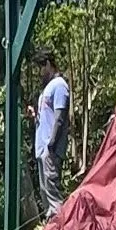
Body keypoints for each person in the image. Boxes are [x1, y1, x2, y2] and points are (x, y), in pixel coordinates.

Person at [33, 70, 72, 213]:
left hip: (51, 150)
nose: (39, 72)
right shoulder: (46, 89)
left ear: (49, 64)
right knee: (45, 193)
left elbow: (59, 117)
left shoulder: (59, 85)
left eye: (41, 67)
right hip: (42, 149)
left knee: (53, 194)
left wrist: (52, 143)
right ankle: (52, 229)